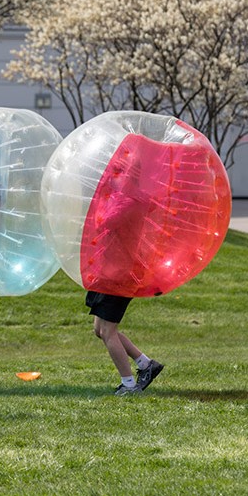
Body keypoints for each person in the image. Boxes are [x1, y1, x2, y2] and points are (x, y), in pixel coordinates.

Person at [85, 159, 164, 396]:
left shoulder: (129, 202)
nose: (111, 177)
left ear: (128, 177)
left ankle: (129, 384)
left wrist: (103, 196)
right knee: (100, 329)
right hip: (110, 270)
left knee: (108, 331)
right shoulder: (125, 199)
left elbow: (102, 223)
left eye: (116, 174)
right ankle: (146, 365)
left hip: (120, 274)